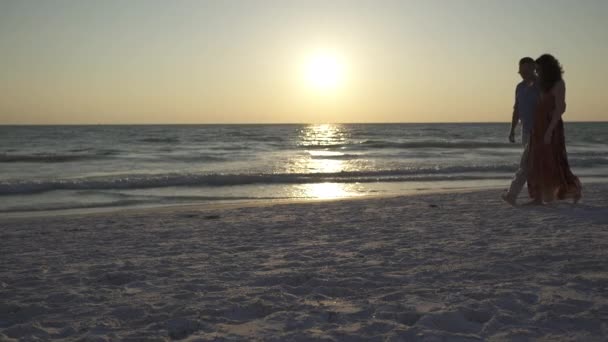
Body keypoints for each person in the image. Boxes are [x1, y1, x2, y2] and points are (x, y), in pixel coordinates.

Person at [526, 54, 582, 204]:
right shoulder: (542, 84)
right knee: (537, 161)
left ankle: (573, 189)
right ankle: (538, 197)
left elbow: (560, 108)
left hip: (551, 126)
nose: (537, 72)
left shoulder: (559, 83)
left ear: (547, 68)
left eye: (539, 69)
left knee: (554, 160)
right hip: (538, 126)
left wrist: (550, 131)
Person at [501, 57, 540, 205]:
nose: (523, 74)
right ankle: (538, 197)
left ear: (533, 69)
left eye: (526, 71)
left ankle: (512, 195)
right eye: (521, 72)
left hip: (539, 131)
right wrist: (512, 129)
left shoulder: (541, 85)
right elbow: (516, 109)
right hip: (525, 131)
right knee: (532, 165)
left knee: (525, 164)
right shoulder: (519, 87)